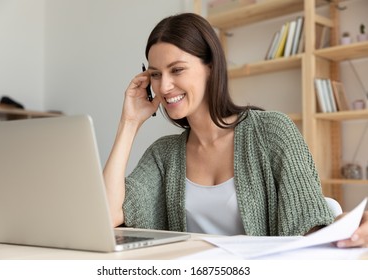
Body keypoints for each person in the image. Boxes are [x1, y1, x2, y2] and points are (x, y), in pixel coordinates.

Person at [103, 13, 368, 247]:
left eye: (177, 70)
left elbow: (309, 226)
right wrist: (129, 123)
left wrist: (343, 224)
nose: (164, 87)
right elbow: (107, 215)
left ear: (211, 67)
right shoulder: (164, 154)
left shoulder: (272, 132)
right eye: (156, 74)